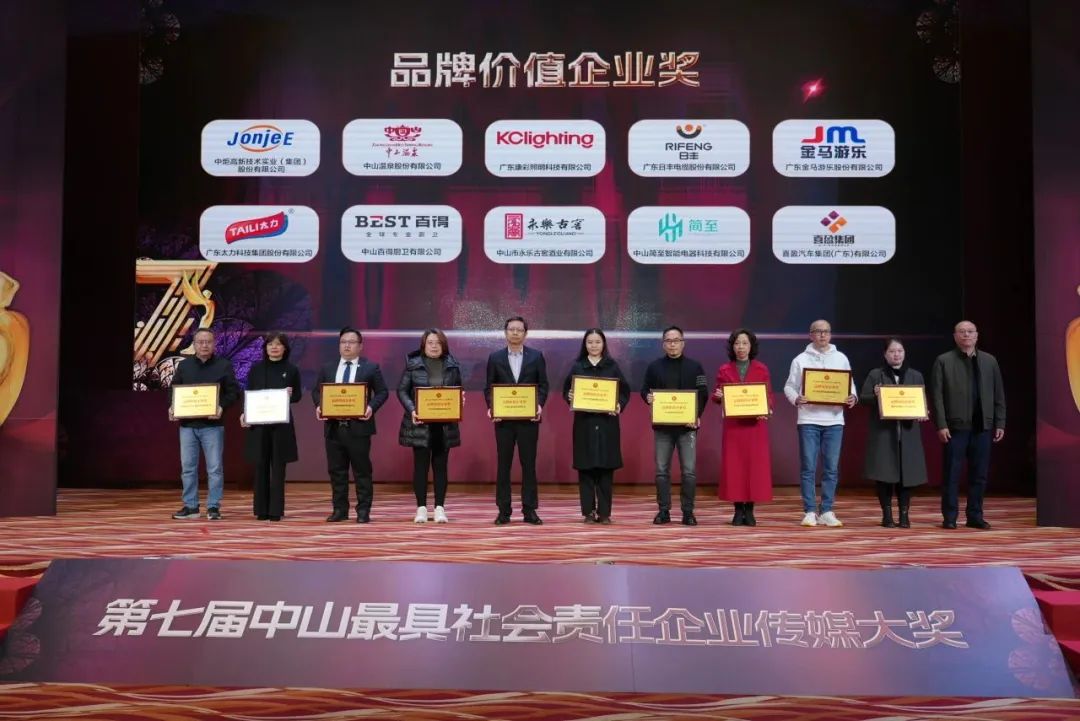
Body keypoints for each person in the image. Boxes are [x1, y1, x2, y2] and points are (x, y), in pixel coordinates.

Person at [930, 320, 1006, 530]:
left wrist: (1000, 422)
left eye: (970, 331)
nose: (966, 335)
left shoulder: (989, 361)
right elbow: (936, 396)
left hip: (982, 427)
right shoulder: (943, 361)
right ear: (955, 336)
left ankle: (975, 515)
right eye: (962, 332)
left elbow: (999, 394)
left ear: (977, 335)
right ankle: (950, 517)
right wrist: (941, 424)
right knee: (951, 474)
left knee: (979, 475)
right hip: (955, 428)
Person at [783, 319, 857, 528]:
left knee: (831, 468)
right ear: (811, 335)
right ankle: (809, 511)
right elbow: (789, 387)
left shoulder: (841, 358)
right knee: (808, 468)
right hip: (808, 420)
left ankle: (826, 510)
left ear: (830, 334)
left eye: (826, 331)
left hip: (834, 421)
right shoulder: (800, 359)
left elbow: (850, 386)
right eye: (818, 331)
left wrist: (853, 397)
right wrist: (796, 398)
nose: (823, 335)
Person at [313, 327, 388, 523]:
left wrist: (370, 407)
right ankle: (340, 510)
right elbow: (316, 392)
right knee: (336, 471)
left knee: (362, 471)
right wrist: (319, 406)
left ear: (360, 346)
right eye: (343, 342)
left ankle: (363, 511)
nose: (347, 345)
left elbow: (382, 392)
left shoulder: (370, 368)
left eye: (351, 342)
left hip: (359, 428)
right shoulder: (328, 368)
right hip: (333, 428)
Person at [641, 325, 709, 526]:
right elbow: (645, 390)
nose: (672, 344)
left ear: (683, 343)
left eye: (676, 340)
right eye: (669, 341)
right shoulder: (654, 367)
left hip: (687, 428)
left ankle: (688, 512)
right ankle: (664, 511)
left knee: (689, 472)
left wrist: (696, 415)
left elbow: (703, 393)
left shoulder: (695, 367)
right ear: (663, 344)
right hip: (662, 428)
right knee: (661, 471)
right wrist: (648, 397)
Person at [169, 328, 240, 520]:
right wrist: (172, 407)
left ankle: (213, 507)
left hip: (213, 426)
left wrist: (221, 406)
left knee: (214, 469)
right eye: (200, 342)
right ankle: (190, 506)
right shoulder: (184, 366)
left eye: (208, 341)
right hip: (187, 426)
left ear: (214, 344)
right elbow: (174, 389)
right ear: (194, 344)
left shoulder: (224, 365)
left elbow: (233, 392)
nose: (204, 345)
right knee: (188, 468)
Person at [484, 316, 549, 525]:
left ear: (525, 333)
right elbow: (489, 387)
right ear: (505, 333)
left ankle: (530, 510)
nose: (515, 333)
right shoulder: (495, 357)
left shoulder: (536, 356)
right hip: (503, 421)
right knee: (503, 465)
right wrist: (492, 407)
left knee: (529, 465)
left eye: (519, 330)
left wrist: (539, 405)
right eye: (511, 329)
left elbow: (543, 385)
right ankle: (504, 511)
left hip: (528, 420)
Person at [562, 328, 631, 525]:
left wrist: (618, 405)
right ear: (585, 345)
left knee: (606, 470)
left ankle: (605, 513)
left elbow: (624, 392)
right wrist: (569, 396)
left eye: (597, 342)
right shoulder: (577, 367)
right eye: (590, 342)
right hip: (584, 424)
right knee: (585, 470)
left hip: (607, 424)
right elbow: (567, 391)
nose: (594, 346)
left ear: (603, 344)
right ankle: (588, 512)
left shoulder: (612, 366)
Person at [859, 338, 928, 528]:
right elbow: (863, 399)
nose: (896, 354)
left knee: (907, 476)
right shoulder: (876, 374)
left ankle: (904, 516)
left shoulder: (915, 375)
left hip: (908, 433)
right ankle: (887, 516)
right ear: (885, 354)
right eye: (892, 351)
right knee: (884, 475)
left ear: (904, 353)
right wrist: (876, 395)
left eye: (900, 351)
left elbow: (921, 402)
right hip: (884, 433)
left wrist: (923, 412)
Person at [397, 329, 463, 524]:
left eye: (438, 342)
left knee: (441, 467)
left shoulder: (452, 365)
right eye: (430, 342)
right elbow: (402, 391)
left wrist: (459, 401)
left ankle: (440, 508)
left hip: (444, 426)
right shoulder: (413, 365)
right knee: (421, 468)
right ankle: (421, 508)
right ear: (423, 345)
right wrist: (412, 409)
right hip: (420, 424)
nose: (434, 346)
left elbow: (458, 390)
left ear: (444, 345)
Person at [711, 328, 772, 526]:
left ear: (751, 346)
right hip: (734, 427)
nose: (741, 347)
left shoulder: (761, 368)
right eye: (737, 343)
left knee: (753, 468)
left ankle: (750, 510)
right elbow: (717, 393)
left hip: (755, 426)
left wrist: (767, 408)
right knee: (735, 467)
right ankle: (738, 509)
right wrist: (718, 396)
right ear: (732, 347)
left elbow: (768, 395)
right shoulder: (724, 369)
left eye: (745, 343)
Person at [241, 332, 302, 521]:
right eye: (270, 344)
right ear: (265, 348)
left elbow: (298, 396)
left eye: (278, 344)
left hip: (281, 426)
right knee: (260, 466)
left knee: (278, 468)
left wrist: (290, 394)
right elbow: (249, 393)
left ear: (285, 348)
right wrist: (245, 413)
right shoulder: (256, 369)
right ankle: (261, 510)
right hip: (259, 424)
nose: (274, 347)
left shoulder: (291, 369)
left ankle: (275, 511)